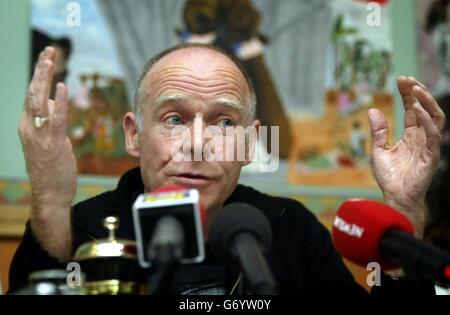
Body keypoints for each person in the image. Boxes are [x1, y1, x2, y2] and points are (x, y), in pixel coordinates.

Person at [9, 43, 446, 294]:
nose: (198, 144)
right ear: (133, 134)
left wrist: (404, 208)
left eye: (223, 122)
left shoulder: (290, 228)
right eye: (175, 119)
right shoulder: (84, 229)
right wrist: (50, 200)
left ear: (249, 143)